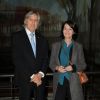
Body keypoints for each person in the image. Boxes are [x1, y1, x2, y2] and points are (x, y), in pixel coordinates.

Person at [12, 10, 49, 100]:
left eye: (36, 20)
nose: (33, 22)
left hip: (40, 81)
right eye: (31, 19)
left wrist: (40, 74)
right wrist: (33, 76)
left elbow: (46, 59)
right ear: (26, 21)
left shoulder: (43, 39)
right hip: (25, 80)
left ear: (38, 23)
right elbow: (17, 60)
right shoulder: (17, 37)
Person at [49, 20, 87, 100]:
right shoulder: (55, 46)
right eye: (65, 28)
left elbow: (83, 64)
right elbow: (51, 63)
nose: (67, 31)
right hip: (59, 81)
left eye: (70, 29)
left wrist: (73, 67)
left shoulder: (78, 46)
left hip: (74, 82)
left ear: (74, 32)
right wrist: (57, 68)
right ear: (62, 31)